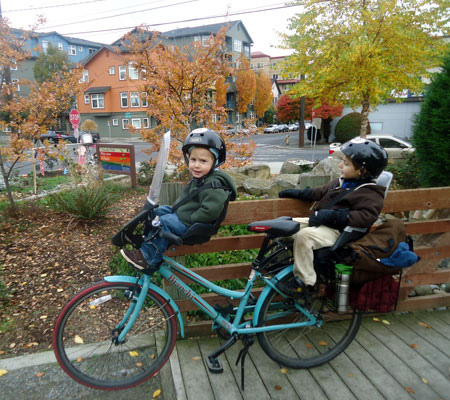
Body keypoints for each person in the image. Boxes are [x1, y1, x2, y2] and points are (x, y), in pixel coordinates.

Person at [277, 137, 388, 297]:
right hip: (322, 222)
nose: (340, 165)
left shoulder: (370, 193)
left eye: (346, 164)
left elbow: (366, 217)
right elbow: (320, 192)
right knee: (282, 225)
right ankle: (285, 265)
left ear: (362, 171)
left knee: (304, 236)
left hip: (339, 232)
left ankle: (306, 283)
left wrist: (332, 216)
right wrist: (298, 193)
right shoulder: (342, 182)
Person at [121, 128, 237, 270]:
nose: (196, 165)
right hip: (184, 217)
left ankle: (147, 258)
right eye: (193, 159)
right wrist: (175, 210)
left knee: (163, 222)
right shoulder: (201, 179)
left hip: (194, 226)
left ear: (215, 162)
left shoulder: (214, 185)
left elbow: (211, 210)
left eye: (203, 161)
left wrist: (190, 218)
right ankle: (145, 241)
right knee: (157, 212)